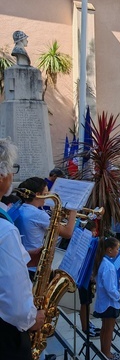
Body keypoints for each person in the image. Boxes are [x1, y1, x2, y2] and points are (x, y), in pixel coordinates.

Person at [0, 139, 45, 359]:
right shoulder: (5, 231)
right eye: (11, 169)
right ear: (1, 176)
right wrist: (31, 319)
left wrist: (24, 259)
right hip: (7, 338)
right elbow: (16, 304)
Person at [15, 177, 77, 280]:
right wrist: (74, 210)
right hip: (35, 267)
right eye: (47, 193)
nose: (48, 197)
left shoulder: (21, 208)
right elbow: (68, 233)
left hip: (24, 262)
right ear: (39, 194)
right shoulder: (38, 214)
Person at [93, 237, 120, 360]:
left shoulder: (102, 262)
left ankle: (104, 351)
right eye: (117, 249)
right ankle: (107, 353)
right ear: (109, 250)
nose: (118, 251)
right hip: (109, 303)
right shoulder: (108, 266)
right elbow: (110, 288)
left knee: (105, 328)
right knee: (108, 330)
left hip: (104, 302)